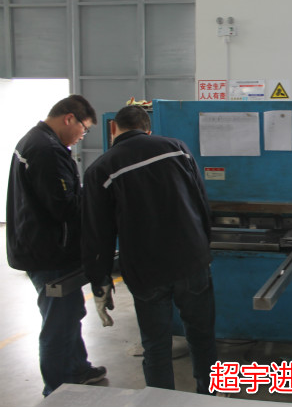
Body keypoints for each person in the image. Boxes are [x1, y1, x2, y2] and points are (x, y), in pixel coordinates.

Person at [81, 105, 217, 394]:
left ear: (114, 129)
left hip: (146, 270)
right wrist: (204, 246)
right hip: (191, 260)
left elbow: (98, 233)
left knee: (155, 344)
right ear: (148, 129)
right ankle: (209, 395)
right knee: (202, 335)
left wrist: (100, 279)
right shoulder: (177, 149)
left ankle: (159, 400)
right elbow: (200, 200)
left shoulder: (101, 169)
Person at [6, 94, 106, 397]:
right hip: (49, 251)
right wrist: (95, 201)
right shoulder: (46, 150)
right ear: (69, 118)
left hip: (41, 245)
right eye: (84, 129)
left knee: (70, 312)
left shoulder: (37, 141)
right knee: (58, 322)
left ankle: (77, 369)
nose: (82, 136)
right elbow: (63, 207)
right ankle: (57, 390)